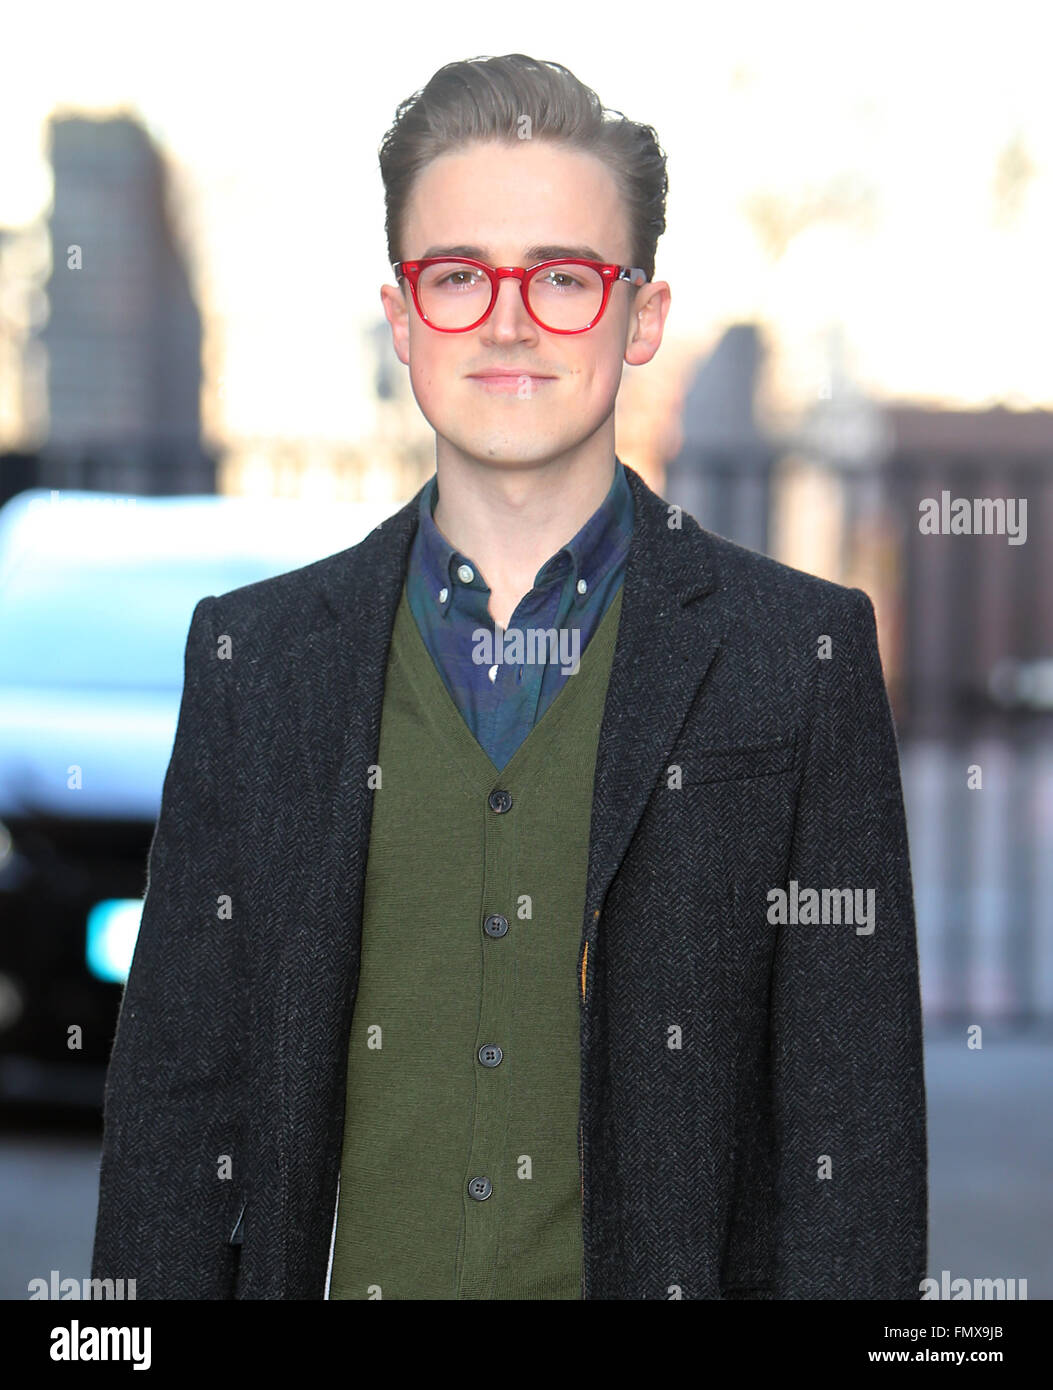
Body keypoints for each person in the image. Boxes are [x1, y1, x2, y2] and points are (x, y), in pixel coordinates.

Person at [91, 53, 927, 1300]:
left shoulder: (797, 656)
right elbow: (174, 1116)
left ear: (642, 316)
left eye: (565, 276)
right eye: (460, 274)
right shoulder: (255, 661)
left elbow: (848, 1147)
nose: (509, 320)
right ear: (403, 317)